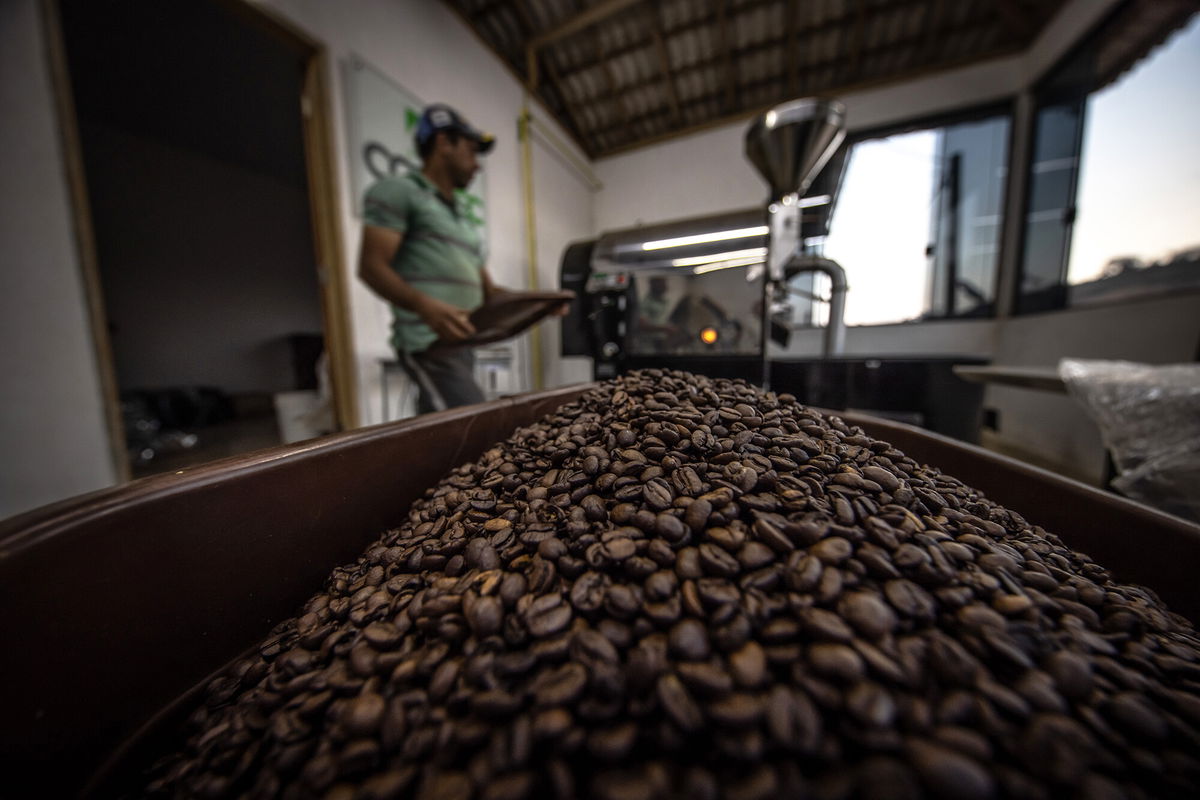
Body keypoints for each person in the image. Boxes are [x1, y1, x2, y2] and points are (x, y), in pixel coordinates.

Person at [357, 104, 499, 414]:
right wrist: (423, 305)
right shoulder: (399, 192)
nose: (477, 165)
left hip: (463, 342)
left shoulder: (464, 219)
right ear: (443, 143)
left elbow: (491, 290)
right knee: (471, 423)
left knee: (439, 425)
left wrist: (541, 303)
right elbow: (371, 267)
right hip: (428, 344)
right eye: (472, 152)